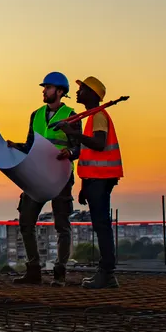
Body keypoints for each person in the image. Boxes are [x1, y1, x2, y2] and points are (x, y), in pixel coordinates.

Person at [5, 72, 80, 287]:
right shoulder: (36, 115)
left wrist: (70, 152)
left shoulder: (71, 116)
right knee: (26, 221)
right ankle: (33, 270)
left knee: (62, 225)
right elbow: (31, 144)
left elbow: (78, 147)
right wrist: (16, 146)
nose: (43, 91)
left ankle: (59, 272)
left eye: (47, 87)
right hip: (36, 175)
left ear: (59, 91)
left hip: (60, 177)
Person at [63, 76, 124, 289]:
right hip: (94, 180)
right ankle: (107, 273)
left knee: (102, 226)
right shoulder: (92, 117)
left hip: (100, 179)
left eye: (82, 90)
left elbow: (98, 144)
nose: (78, 93)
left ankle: (107, 273)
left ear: (92, 94)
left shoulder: (98, 116)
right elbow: (89, 154)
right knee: (101, 226)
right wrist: (84, 186)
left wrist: (73, 134)